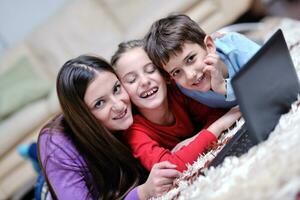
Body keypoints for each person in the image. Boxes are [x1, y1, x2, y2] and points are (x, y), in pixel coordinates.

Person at [38, 55, 180, 200]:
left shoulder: (132, 94)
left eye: (117, 88)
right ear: (84, 117)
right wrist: (143, 193)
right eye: (99, 103)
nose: (119, 105)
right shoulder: (57, 148)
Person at [111, 40, 241, 172]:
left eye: (150, 70)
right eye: (131, 80)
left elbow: (215, 112)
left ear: (163, 73)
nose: (144, 82)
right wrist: (220, 125)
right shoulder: (134, 132)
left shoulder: (178, 89)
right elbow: (171, 168)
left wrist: (195, 138)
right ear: (122, 90)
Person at [144, 14, 261, 108]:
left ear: (209, 46)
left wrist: (224, 87)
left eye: (190, 59)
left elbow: (270, 78)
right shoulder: (184, 87)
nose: (190, 75)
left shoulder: (234, 46)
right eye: (176, 72)